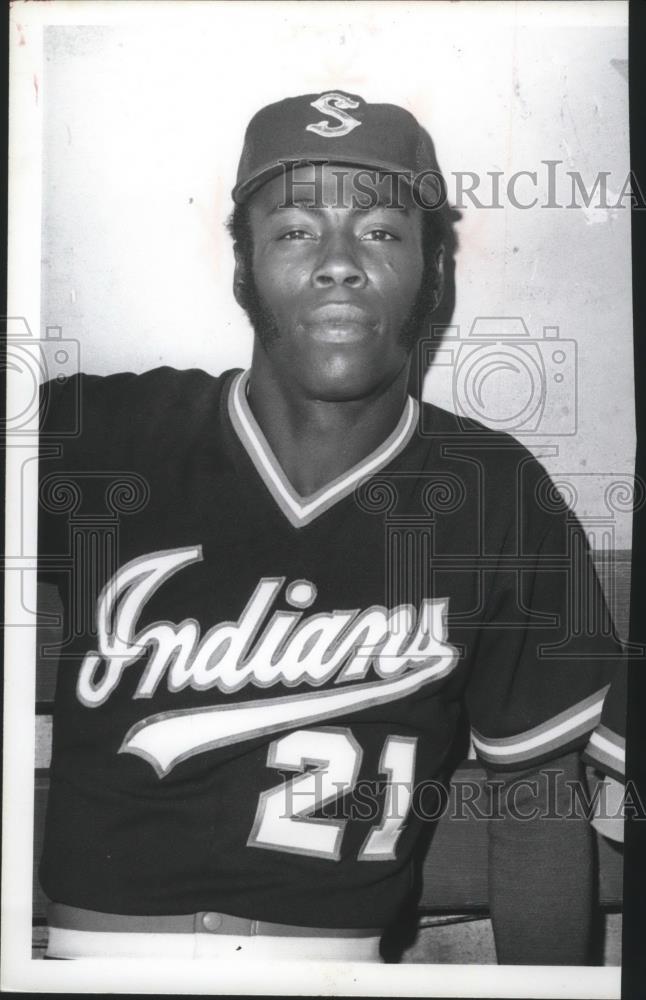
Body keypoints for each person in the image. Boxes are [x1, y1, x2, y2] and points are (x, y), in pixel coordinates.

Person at [37, 91, 625, 964]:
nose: (340, 262)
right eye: (294, 230)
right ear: (241, 268)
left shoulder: (494, 491)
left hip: (336, 970)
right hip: (86, 962)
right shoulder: (100, 435)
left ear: (435, 273)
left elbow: (534, 807)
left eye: (383, 232)